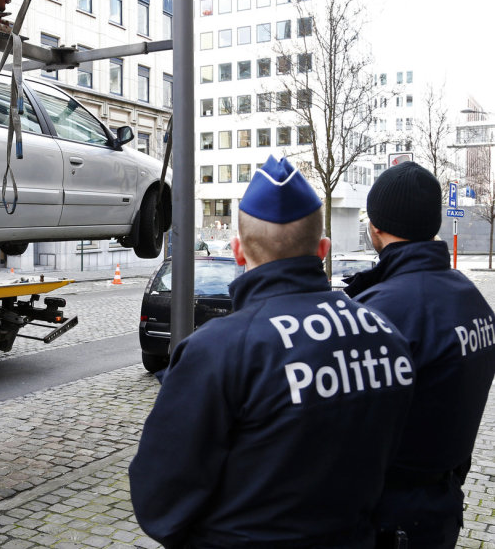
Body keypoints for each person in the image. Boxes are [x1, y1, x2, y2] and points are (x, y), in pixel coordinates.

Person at [129, 156, 416, 548]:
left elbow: (158, 498)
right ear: (323, 250)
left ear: (238, 252)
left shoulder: (217, 350)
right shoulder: (386, 334)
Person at [344, 161, 495, 548]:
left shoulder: (380, 312)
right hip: (440, 508)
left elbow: (345, 430)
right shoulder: (473, 300)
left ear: (375, 227)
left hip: (387, 520)